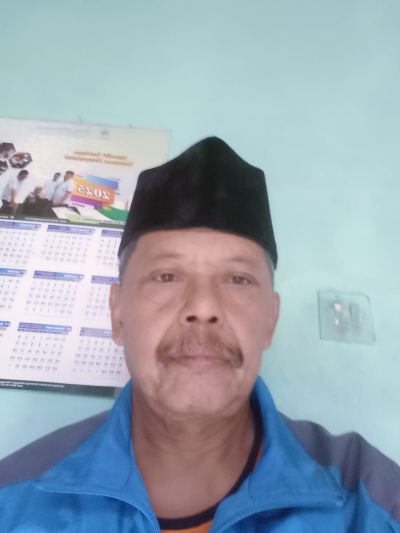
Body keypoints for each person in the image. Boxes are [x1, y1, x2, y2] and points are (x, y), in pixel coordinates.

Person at [0, 138, 399, 532]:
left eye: (238, 279)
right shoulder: (14, 499)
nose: (204, 306)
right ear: (118, 314)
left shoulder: (370, 501)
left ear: (270, 320)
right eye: (167, 276)